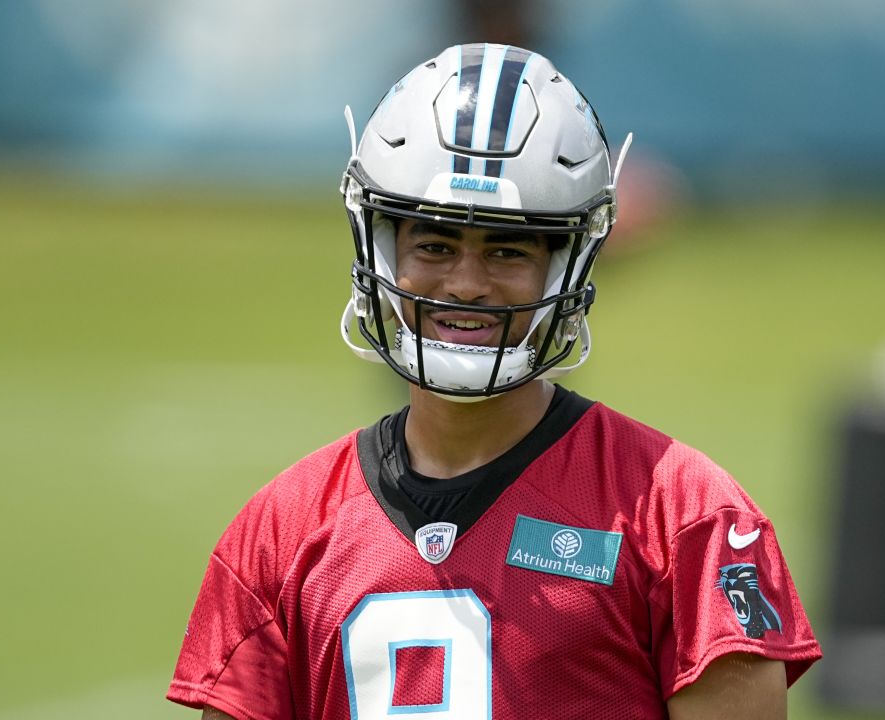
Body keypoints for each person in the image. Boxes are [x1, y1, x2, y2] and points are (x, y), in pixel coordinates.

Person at [167, 43, 821, 720]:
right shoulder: (280, 530)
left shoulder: (688, 517)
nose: (467, 284)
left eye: (509, 249)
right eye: (434, 244)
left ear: (566, 267)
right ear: (381, 252)